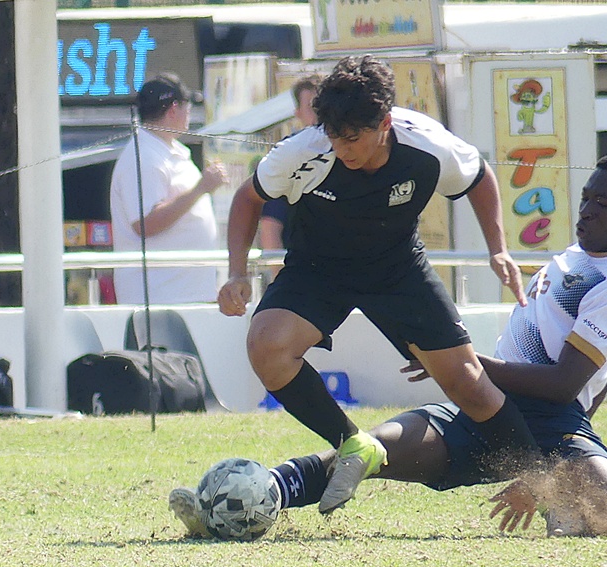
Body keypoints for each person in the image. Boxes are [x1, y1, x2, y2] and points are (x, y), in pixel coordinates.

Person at [176, 151, 607, 538]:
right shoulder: (575, 255)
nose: (588, 211)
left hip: (547, 421)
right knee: (369, 450)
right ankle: (256, 495)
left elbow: (569, 384)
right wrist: (465, 373)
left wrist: (471, 370)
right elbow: (603, 372)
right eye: (588, 198)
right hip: (480, 405)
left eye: (605, 206)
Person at [217, 55, 533, 515]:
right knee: (266, 346)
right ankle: (353, 443)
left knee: (468, 384)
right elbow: (248, 197)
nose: (342, 147)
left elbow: (479, 177)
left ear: (384, 123)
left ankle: (542, 480)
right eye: (333, 135)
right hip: (317, 268)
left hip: (397, 268)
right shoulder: (303, 151)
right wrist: (236, 271)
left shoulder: (426, 143)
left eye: (353, 137)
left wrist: (498, 248)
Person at [109, 73, 229, 305]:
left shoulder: (166, 150)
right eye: (187, 106)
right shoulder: (143, 157)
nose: (189, 113)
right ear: (174, 109)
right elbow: (145, 223)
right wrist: (200, 189)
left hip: (185, 293)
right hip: (161, 297)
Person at [258, 75, 321, 282]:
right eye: (313, 106)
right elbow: (270, 225)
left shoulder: (353, 148)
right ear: (298, 114)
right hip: (302, 274)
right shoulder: (289, 154)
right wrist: (281, 281)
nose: (321, 113)